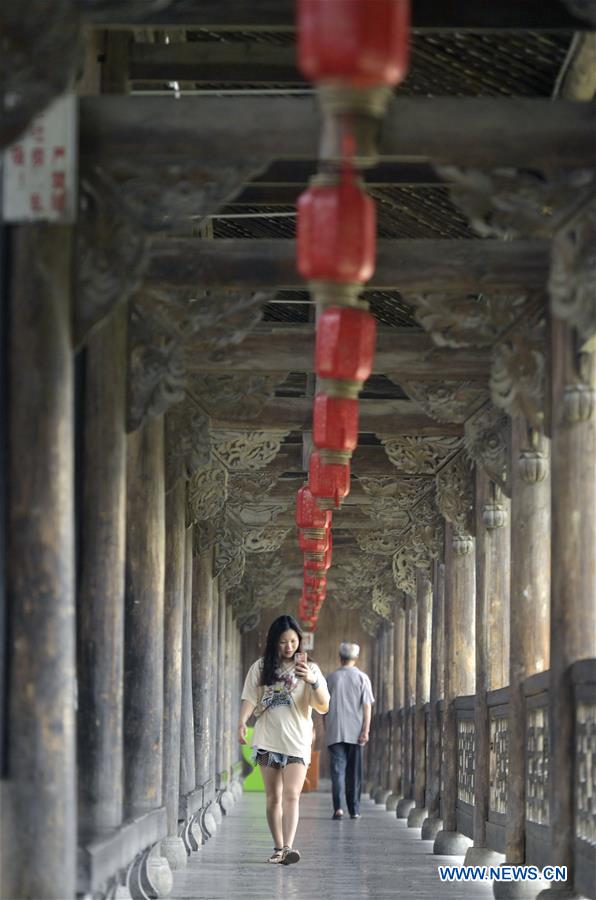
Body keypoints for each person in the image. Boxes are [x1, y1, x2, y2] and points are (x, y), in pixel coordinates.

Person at [238, 614, 330, 865]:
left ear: (300, 641)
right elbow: (249, 697)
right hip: (267, 739)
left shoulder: (311, 669)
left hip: (297, 742)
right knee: (273, 798)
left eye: (293, 641)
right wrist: (242, 721)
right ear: (273, 643)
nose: (289, 647)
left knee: (292, 795)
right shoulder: (260, 667)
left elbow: (323, 705)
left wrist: (311, 681)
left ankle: (289, 848)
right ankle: (278, 847)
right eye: (282, 642)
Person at [325, 641, 374, 820]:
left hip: (335, 731)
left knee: (338, 772)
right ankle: (354, 810)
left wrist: (326, 727)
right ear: (356, 658)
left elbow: (324, 708)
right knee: (354, 773)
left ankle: (338, 808)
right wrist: (365, 730)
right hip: (356, 732)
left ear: (340, 657)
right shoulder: (362, 678)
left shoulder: (331, 678)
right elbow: (367, 706)